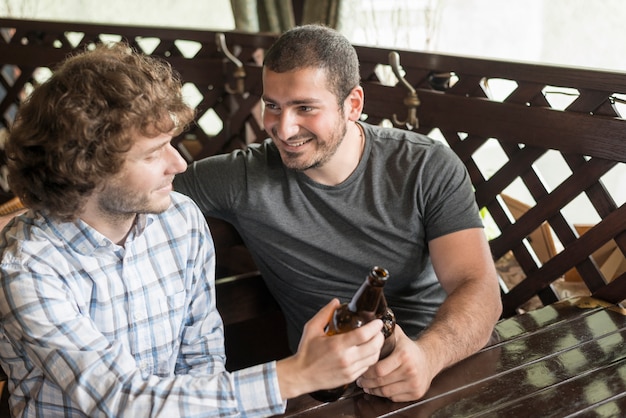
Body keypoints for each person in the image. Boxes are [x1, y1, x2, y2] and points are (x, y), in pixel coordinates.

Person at [0, 42, 386, 417]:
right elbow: (121, 400)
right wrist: (298, 374)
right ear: (84, 166)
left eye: (172, 143)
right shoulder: (29, 266)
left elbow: (202, 360)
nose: (179, 164)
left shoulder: (179, 220)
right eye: (153, 153)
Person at [174, 24, 503, 402]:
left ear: (353, 104)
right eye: (273, 106)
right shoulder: (240, 177)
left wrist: (429, 357)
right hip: (328, 392)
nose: (283, 128)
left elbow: (478, 286)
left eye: (305, 108)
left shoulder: (426, 165)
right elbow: (140, 196)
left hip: (441, 368)